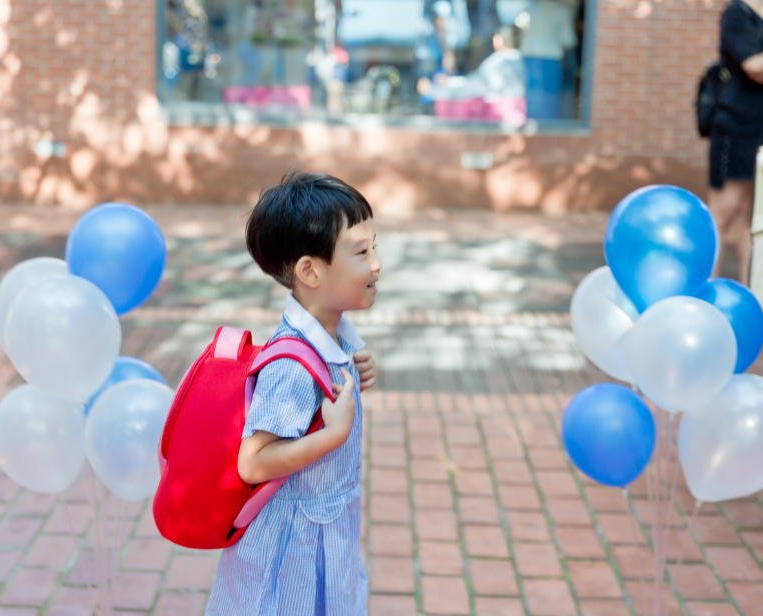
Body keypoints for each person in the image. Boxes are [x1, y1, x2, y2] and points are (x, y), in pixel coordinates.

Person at [204, 172, 381, 615]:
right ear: (309, 271)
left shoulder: (336, 338)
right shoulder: (291, 365)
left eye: (374, 247)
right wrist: (331, 437)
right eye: (361, 252)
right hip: (290, 555)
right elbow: (253, 461)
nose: (376, 262)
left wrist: (358, 367)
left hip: (325, 536)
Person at [709, 0, 763, 288]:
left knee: (757, 222)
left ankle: (752, 300)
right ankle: (700, 298)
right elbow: (755, 66)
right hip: (738, 129)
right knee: (722, 215)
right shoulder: (739, 13)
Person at [418, 25, 526, 100]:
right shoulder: (523, 62)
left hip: (498, 124)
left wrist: (433, 90)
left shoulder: (497, 62)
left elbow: (470, 88)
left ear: (498, 40)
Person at [516, 0, 577, 120]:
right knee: (548, 105)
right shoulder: (561, 11)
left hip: (528, 59)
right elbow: (569, 41)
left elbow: (517, 33)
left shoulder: (528, 10)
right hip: (551, 61)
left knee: (528, 102)